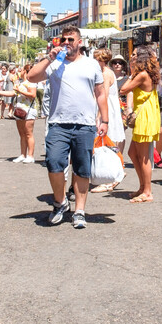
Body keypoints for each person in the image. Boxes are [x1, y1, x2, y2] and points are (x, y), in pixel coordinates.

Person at [26, 27, 109, 230]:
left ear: (79, 42)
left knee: (82, 169)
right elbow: (31, 77)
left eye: (71, 39)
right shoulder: (54, 63)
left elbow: (100, 93)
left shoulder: (91, 65)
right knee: (53, 162)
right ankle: (60, 202)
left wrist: (104, 120)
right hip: (58, 124)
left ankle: (79, 211)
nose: (66, 42)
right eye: (63, 39)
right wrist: (49, 57)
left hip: (85, 124)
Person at [121, 47, 161, 203]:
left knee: (143, 157)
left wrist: (131, 73)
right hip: (145, 115)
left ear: (141, 59)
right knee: (132, 153)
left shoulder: (142, 75)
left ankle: (148, 191)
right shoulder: (145, 74)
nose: (131, 56)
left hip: (145, 116)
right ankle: (142, 187)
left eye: (135, 55)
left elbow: (123, 89)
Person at [91, 49, 126, 193]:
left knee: (107, 143)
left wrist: (99, 117)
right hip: (110, 109)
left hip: (107, 111)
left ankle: (111, 176)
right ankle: (114, 172)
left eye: (96, 59)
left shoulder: (105, 73)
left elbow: (103, 96)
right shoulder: (108, 72)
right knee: (109, 143)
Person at [0, 63, 39, 163]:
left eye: (21, 70)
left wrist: (19, 90)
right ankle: (23, 154)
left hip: (28, 110)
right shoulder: (21, 83)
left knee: (28, 134)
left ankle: (30, 155)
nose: (19, 72)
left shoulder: (31, 82)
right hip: (19, 110)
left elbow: (32, 95)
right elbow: (13, 93)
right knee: (22, 134)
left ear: (26, 72)